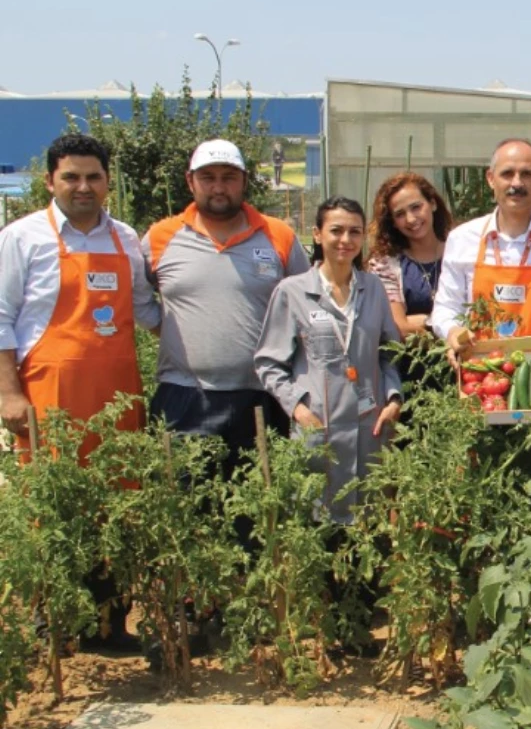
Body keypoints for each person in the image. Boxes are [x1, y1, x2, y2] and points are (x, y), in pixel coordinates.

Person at [0, 133, 161, 652]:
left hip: (117, 394)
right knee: (53, 502)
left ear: (108, 181)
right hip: (52, 394)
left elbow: (145, 311)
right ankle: (56, 619)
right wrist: (8, 394)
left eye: (93, 176)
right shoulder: (23, 238)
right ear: (51, 181)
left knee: (118, 505)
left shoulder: (126, 239)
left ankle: (110, 621)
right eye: (71, 177)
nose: (83, 186)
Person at [143, 139, 309, 511]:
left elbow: (304, 303)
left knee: (258, 510)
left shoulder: (278, 235)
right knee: (185, 509)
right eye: (209, 178)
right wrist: (171, 332)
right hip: (185, 394)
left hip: (260, 396)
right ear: (191, 182)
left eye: (229, 178)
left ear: (244, 181)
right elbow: (139, 299)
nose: (219, 187)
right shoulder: (161, 237)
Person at [255, 197, 404, 524]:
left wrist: (393, 398)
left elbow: (390, 352)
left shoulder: (373, 289)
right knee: (315, 525)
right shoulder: (292, 292)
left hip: (369, 427)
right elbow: (269, 363)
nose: (345, 240)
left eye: (355, 232)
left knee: (368, 527)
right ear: (317, 235)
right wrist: (298, 407)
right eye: (336, 230)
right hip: (319, 427)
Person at [430, 138, 531, 360]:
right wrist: (453, 331)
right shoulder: (463, 239)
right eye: (507, 174)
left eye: (526, 174)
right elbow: (446, 307)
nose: (516, 183)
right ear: (491, 179)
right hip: (480, 377)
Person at [367, 172, 453, 337]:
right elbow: (398, 327)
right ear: (392, 221)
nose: (411, 219)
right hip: (407, 361)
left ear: (433, 204)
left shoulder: (461, 252)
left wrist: (419, 321)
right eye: (400, 214)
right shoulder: (384, 264)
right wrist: (444, 322)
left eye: (416, 207)